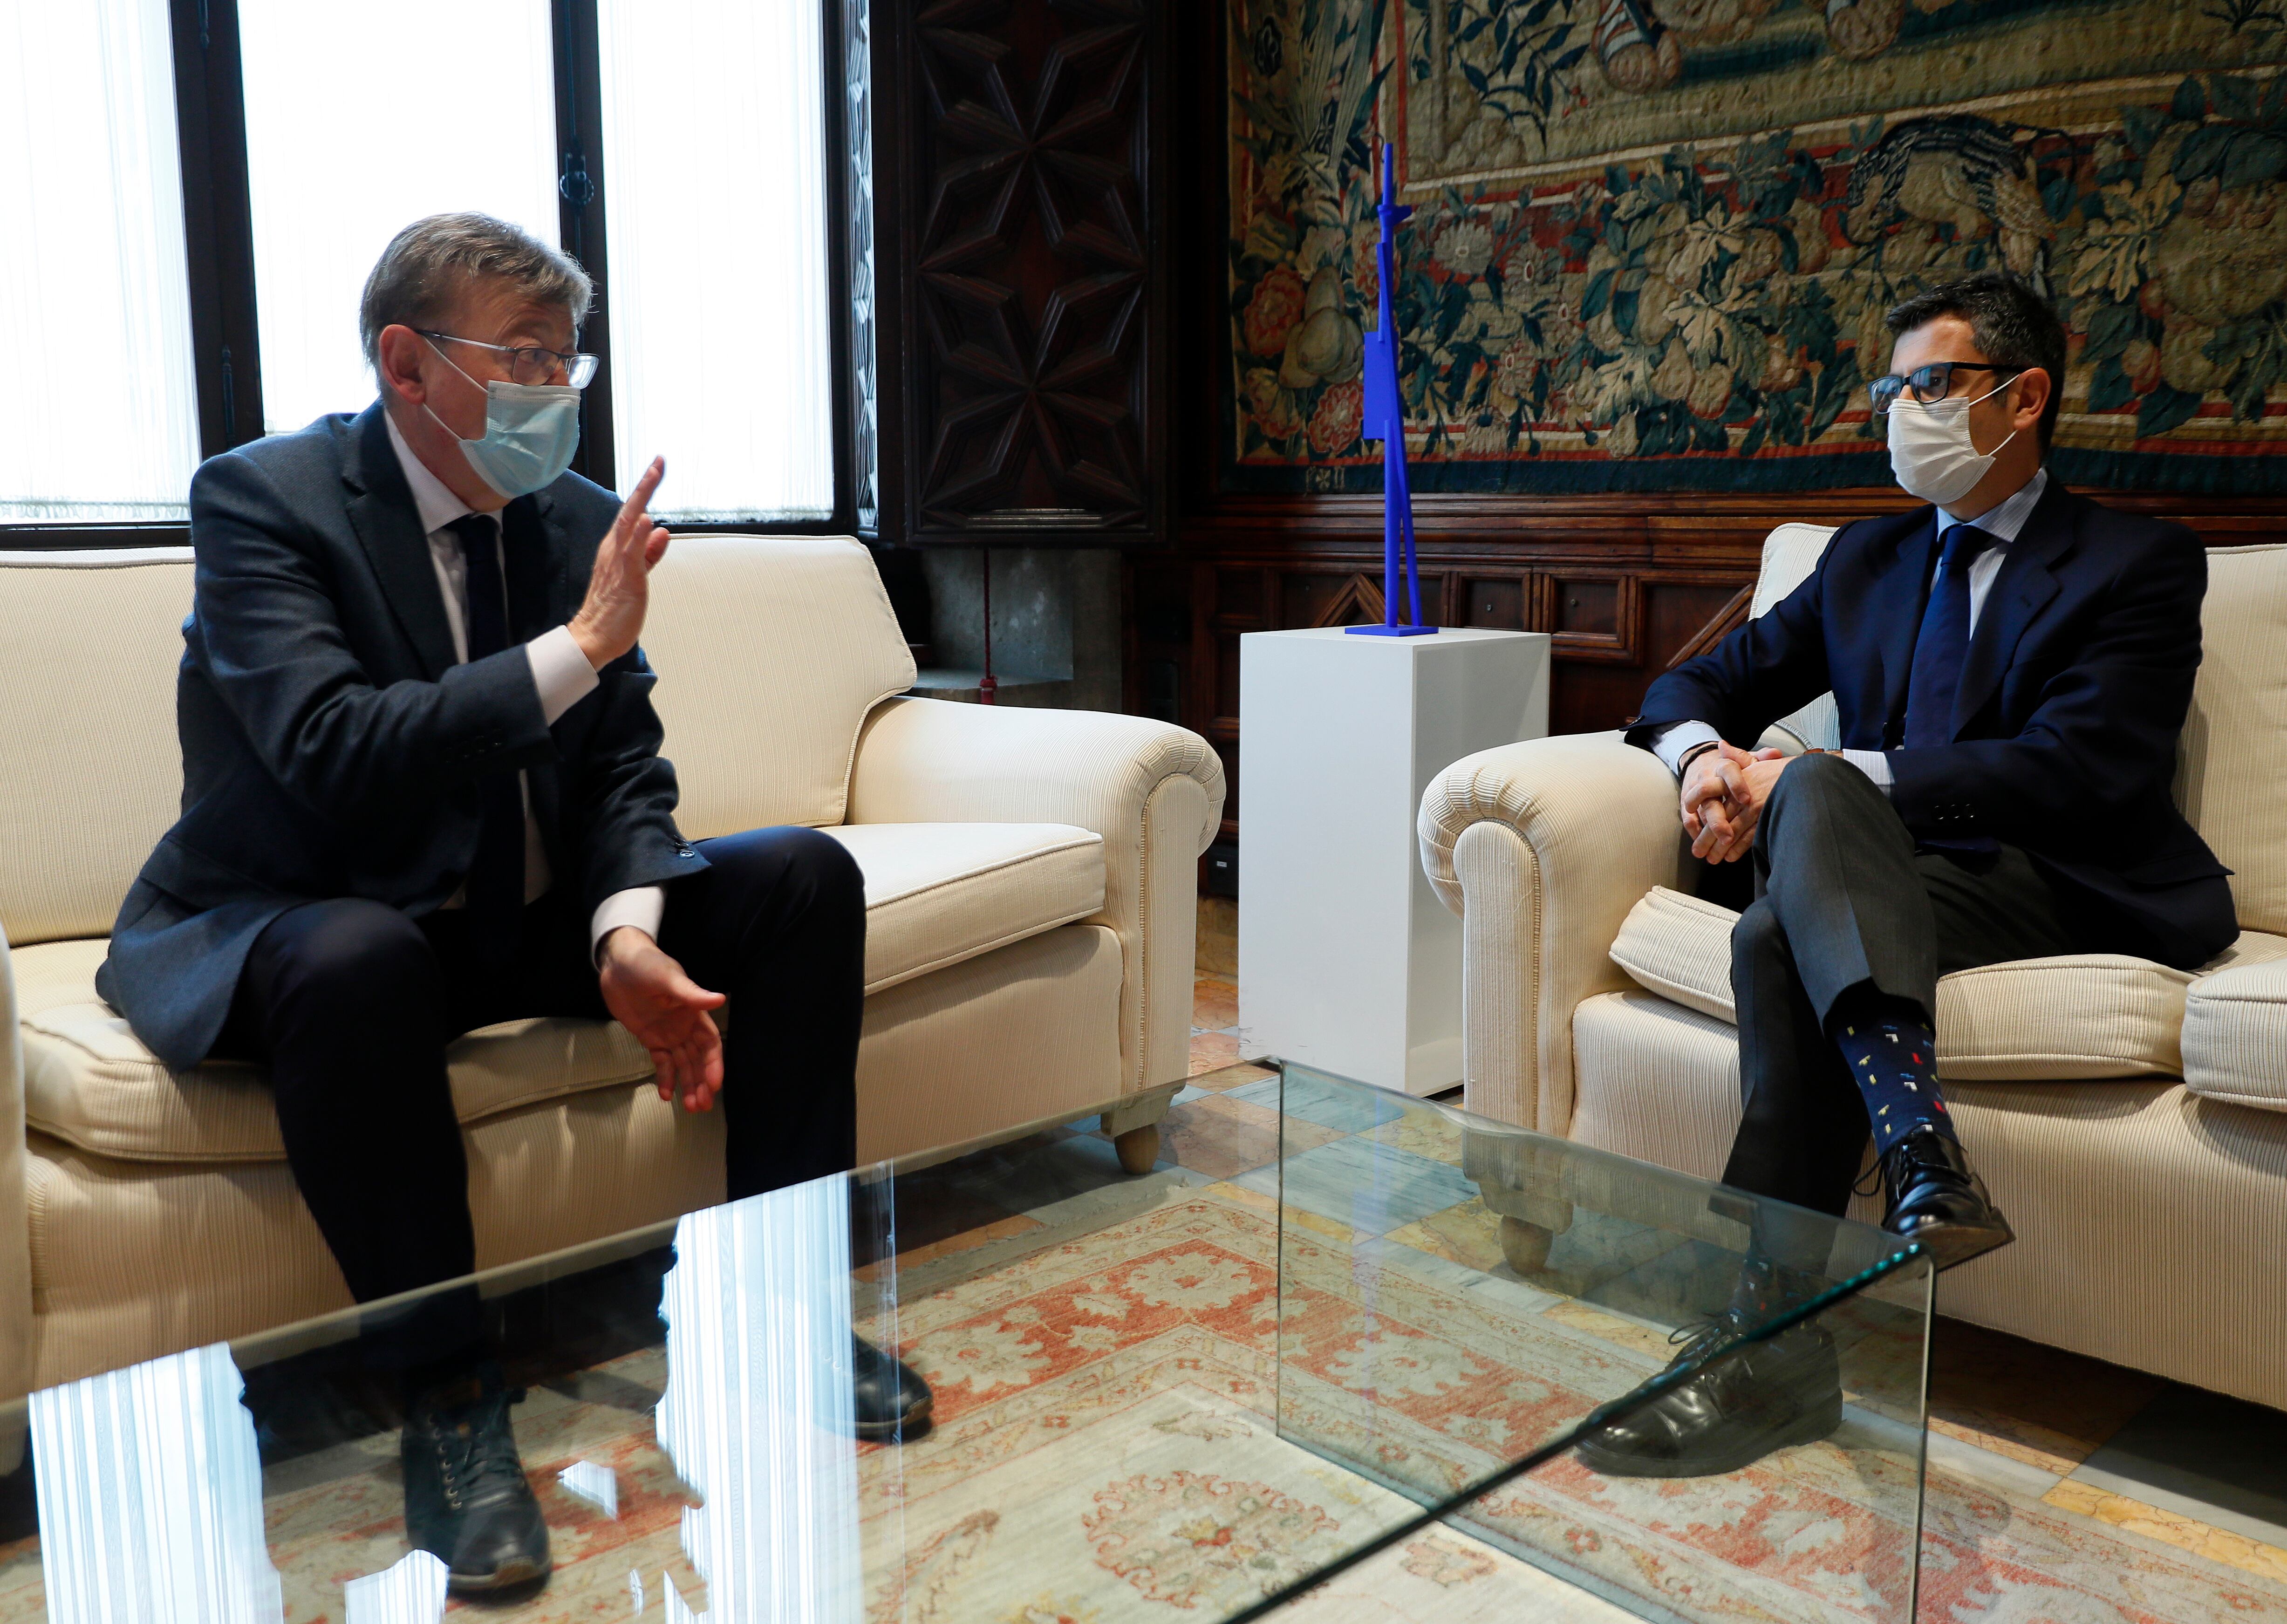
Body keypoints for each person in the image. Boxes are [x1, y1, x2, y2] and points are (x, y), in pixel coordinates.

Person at [96, 213, 931, 1590]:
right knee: (363, 959)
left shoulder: (575, 522)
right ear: (407, 366)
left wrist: (623, 938)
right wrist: (578, 647)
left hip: (502, 923)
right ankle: (448, 1399)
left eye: (568, 363)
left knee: (798, 877)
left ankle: (779, 1310)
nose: (555, 392)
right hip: (314, 916)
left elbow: (622, 769)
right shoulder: (264, 502)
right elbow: (333, 749)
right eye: (524, 358)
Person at [1582, 270, 2233, 1479]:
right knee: (1781, 919)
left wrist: (1814, 782)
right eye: (1893, 389)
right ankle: (1907, 1163)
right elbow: (1695, 688)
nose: (1901, 412)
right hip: (1882, 884)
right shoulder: (1866, 563)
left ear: (2023, 397)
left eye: (1932, 384)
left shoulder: (2135, 563)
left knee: (1817, 809)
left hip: (2053, 879)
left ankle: (1767, 1344)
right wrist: (1698, 768)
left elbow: (2082, 768)